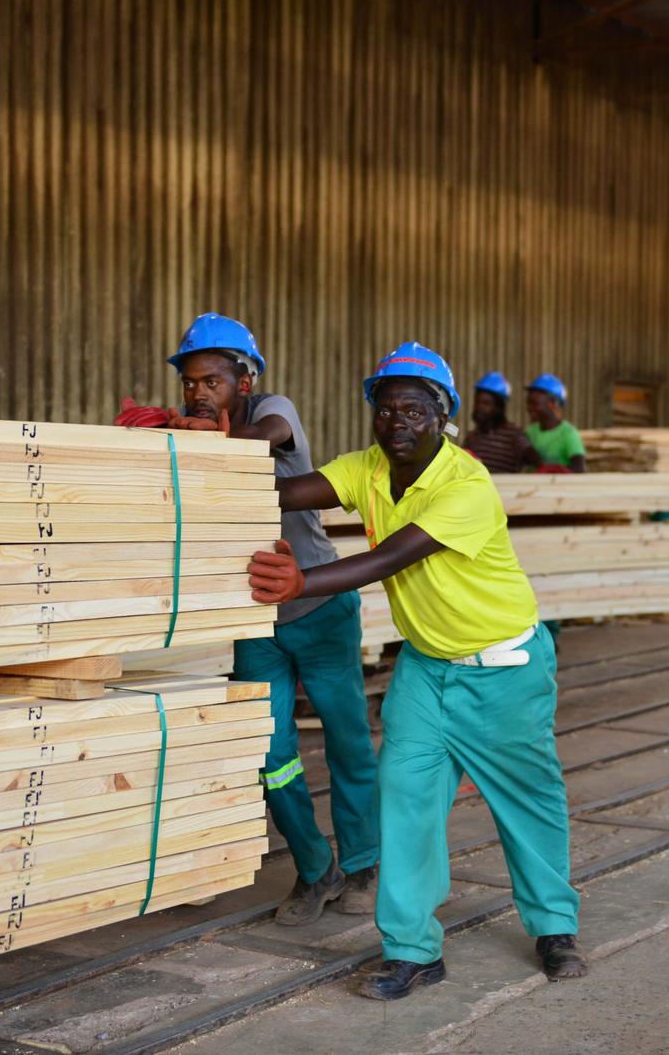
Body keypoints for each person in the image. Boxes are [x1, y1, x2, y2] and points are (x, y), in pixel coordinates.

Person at [245, 342, 587, 1000]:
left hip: (504, 669)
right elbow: (288, 490)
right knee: (403, 799)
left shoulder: (466, 486)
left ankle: (554, 926)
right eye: (385, 408)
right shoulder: (368, 468)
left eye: (414, 410)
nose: (397, 421)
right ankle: (411, 951)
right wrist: (200, 459)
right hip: (426, 669)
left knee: (527, 801)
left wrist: (303, 581)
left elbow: (392, 556)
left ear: (442, 416)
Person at [162, 312, 380, 925]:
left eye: (212, 381)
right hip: (256, 622)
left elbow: (267, 435)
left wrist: (204, 434)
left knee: (346, 739)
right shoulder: (190, 437)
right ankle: (316, 869)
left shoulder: (271, 413)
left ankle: (364, 863)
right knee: (271, 751)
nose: (199, 392)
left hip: (320, 608)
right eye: (190, 382)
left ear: (245, 380)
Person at [462, 371, 540, 474]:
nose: (480, 407)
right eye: (477, 402)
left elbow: (536, 461)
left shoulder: (514, 435)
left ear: (499, 407)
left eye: (486, 403)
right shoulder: (472, 437)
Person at [523, 374, 587, 473]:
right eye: (528, 403)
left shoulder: (568, 433)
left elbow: (579, 468)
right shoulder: (530, 432)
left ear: (553, 404)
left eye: (535, 403)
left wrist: (556, 471)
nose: (529, 408)